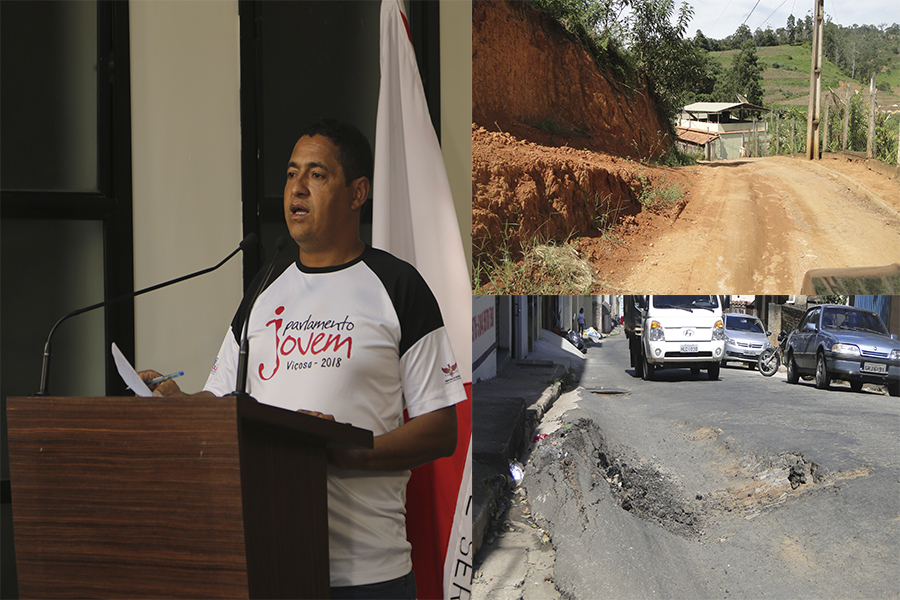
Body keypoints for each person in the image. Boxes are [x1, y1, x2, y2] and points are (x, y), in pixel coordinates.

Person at [140, 118, 466, 599]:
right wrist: (179, 401)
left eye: (317, 174)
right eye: (292, 173)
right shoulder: (264, 289)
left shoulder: (398, 286)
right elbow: (222, 403)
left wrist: (343, 450)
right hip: (270, 562)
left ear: (358, 193)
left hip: (366, 574)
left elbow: (442, 429)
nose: (297, 187)